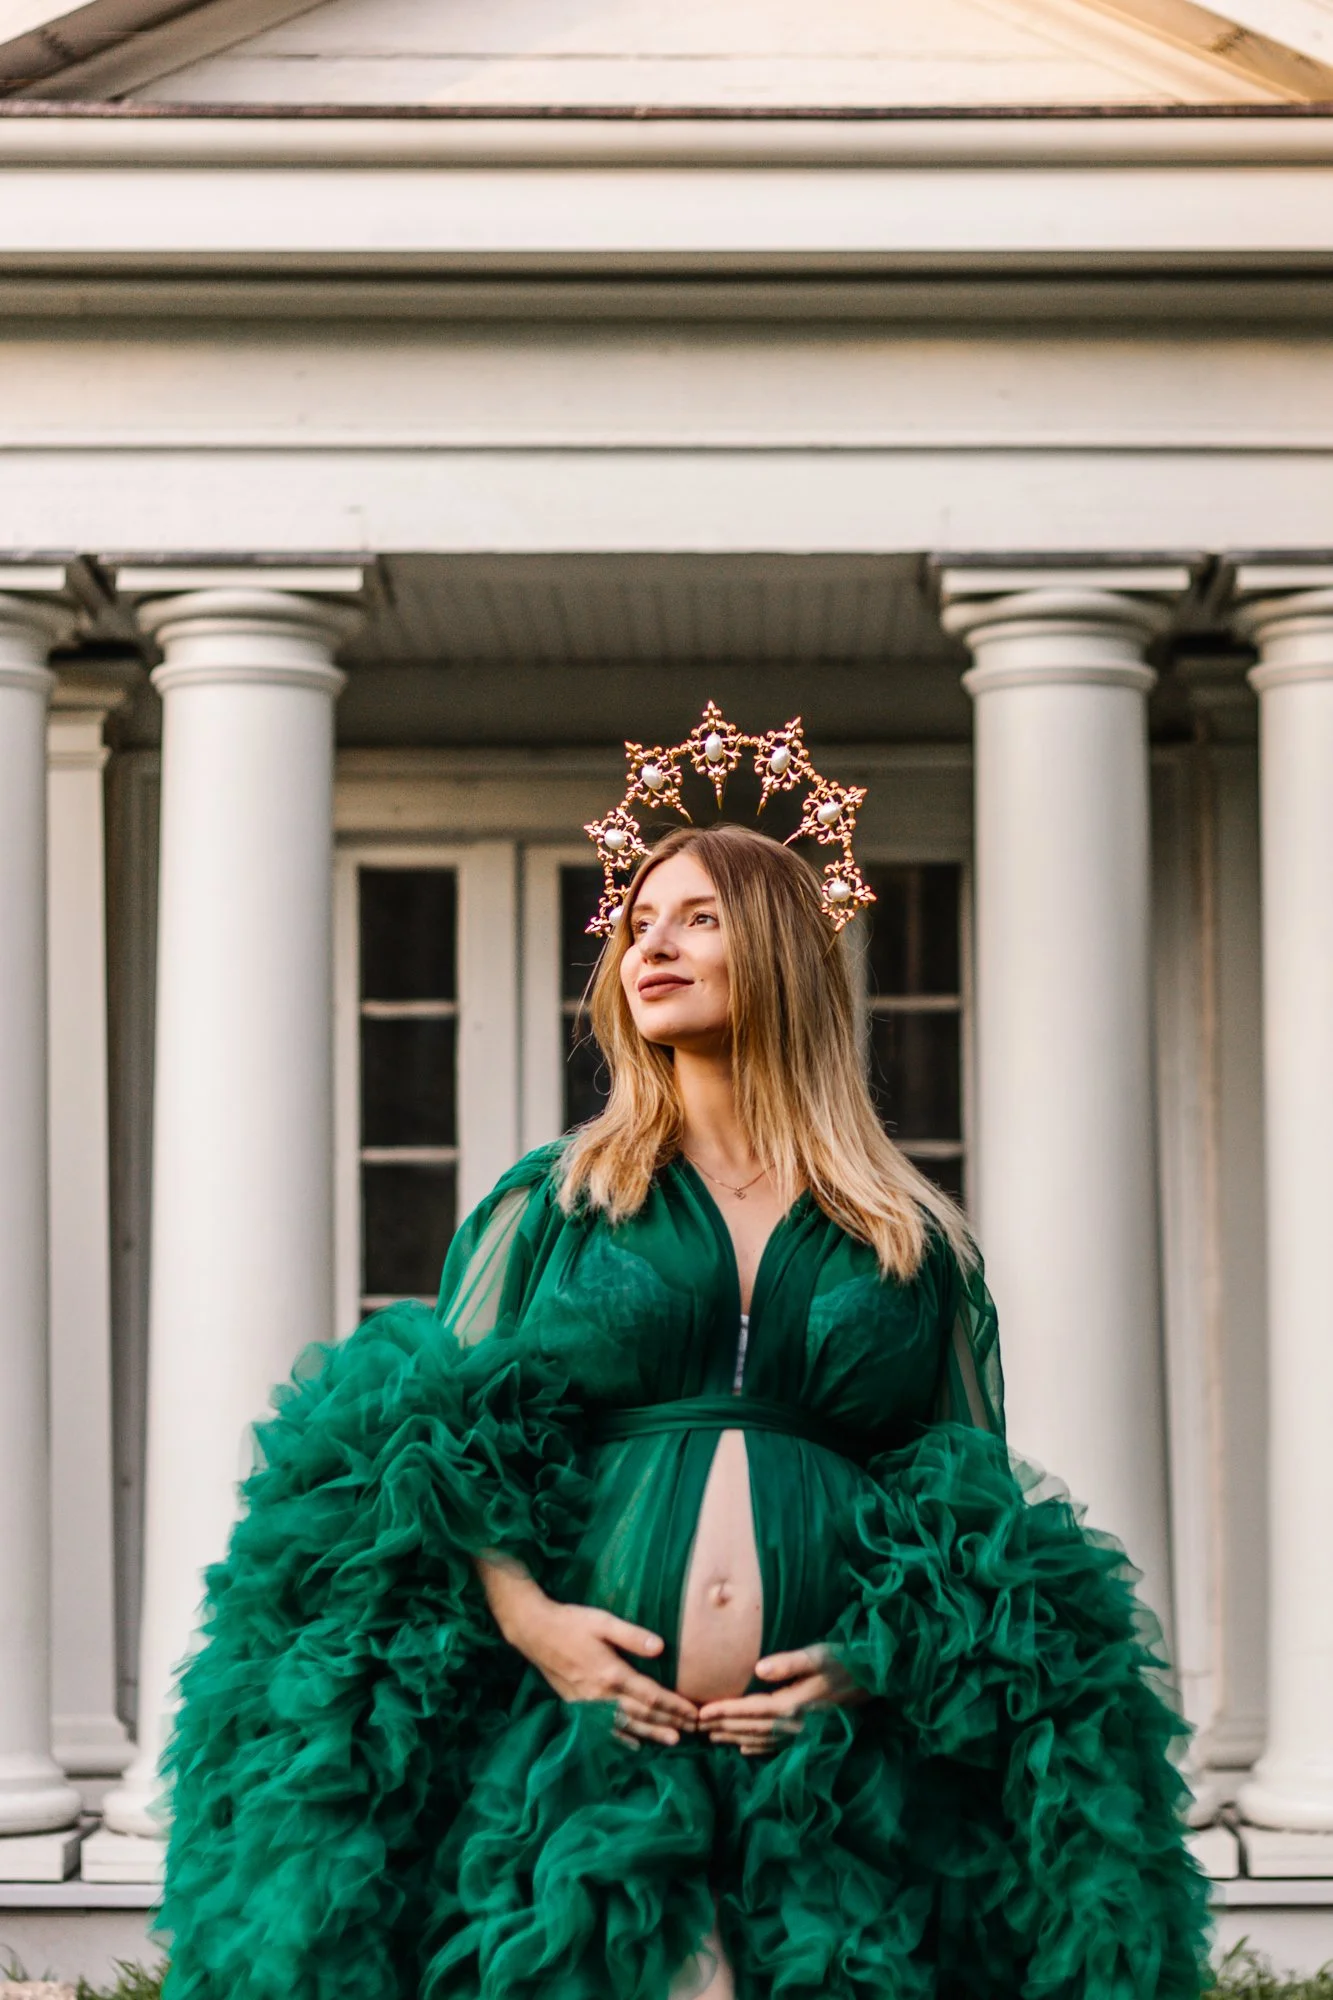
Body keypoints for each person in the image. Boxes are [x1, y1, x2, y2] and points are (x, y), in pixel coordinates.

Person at [159, 819, 1211, 2000]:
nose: (647, 944)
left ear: (777, 950)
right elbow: (436, 1444)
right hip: (590, 1734)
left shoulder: (904, 1235)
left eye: (697, 916)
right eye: (638, 920)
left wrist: (872, 1659)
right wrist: (533, 1623)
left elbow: (961, 1501)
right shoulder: (559, 1199)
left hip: (829, 1760)